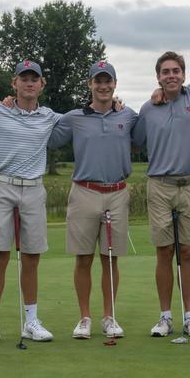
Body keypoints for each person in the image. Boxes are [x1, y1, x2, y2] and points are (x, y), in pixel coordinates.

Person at [48, 61, 137, 339]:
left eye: (107, 81)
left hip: (117, 192)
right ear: (90, 84)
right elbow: (47, 135)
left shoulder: (128, 115)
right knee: (83, 258)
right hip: (84, 192)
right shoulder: (74, 117)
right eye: (98, 81)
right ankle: (84, 317)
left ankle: (109, 317)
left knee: (110, 260)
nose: (103, 86)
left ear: (115, 84)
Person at [0, 60, 61, 344]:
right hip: (3, 186)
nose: (29, 83)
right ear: (14, 83)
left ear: (42, 84)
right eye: (23, 78)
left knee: (31, 257)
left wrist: (117, 105)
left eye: (34, 79)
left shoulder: (49, 116)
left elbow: (82, 120)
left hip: (34, 189)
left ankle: (31, 321)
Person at [132, 52, 190, 338]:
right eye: (165, 72)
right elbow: (135, 141)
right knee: (164, 251)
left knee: (188, 251)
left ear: (184, 74)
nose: (171, 76)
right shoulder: (148, 108)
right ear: (158, 77)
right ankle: (165, 316)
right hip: (159, 185)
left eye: (176, 71)